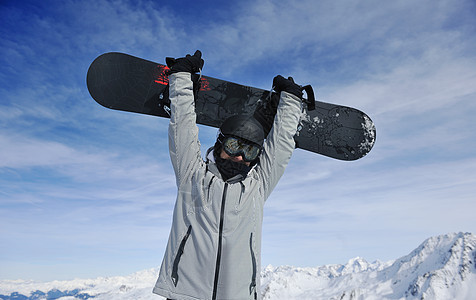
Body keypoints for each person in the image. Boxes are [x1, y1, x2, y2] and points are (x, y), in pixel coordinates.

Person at [153, 51, 303, 300]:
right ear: (221, 143)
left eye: (250, 150)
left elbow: (281, 147)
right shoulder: (192, 173)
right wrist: (180, 78)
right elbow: (182, 127)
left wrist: (291, 102)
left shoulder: (258, 185)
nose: (241, 157)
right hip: (184, 294)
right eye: (235, 146)